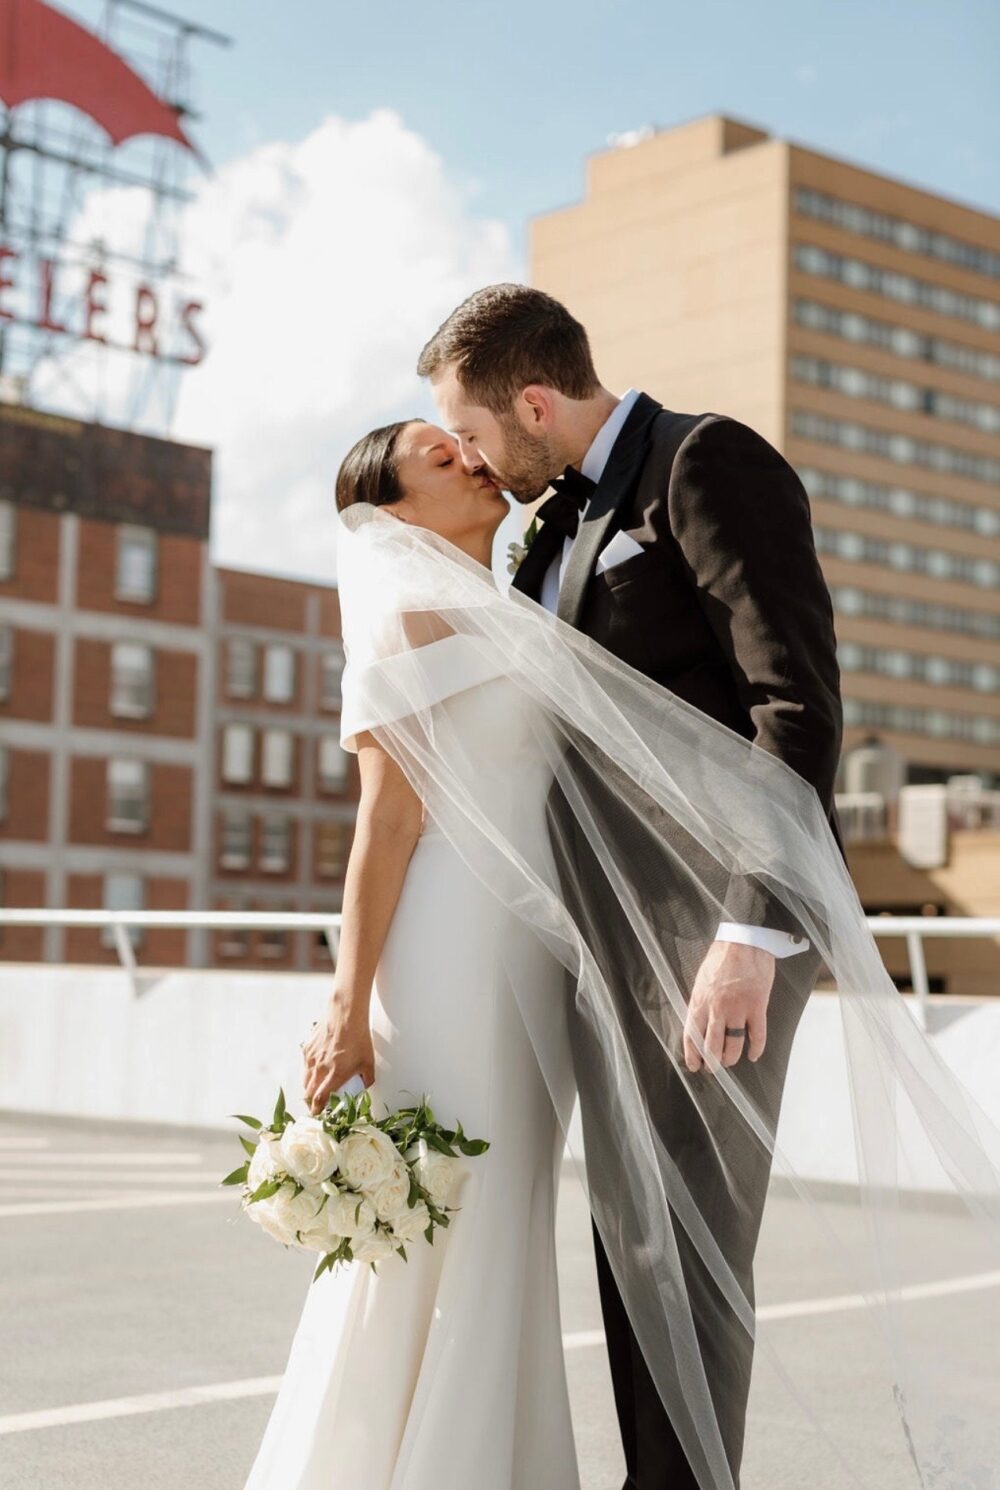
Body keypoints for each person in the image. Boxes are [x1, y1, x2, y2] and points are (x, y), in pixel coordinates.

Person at [241, 300, 1000, 1490]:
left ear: (532, 405)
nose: (473, 457)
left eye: (468, 432)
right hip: (574, 941)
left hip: (710, 926)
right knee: (627, 1241)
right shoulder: (535, 538)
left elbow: (791, 705)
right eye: (447, 449)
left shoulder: (703, 462)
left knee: (684, 1246)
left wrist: (749, 927)